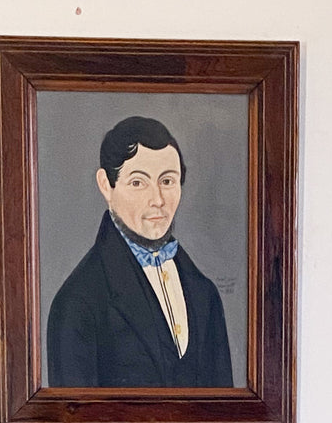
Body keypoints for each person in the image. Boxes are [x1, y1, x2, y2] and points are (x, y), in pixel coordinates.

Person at [46, 116, 234, 388]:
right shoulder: (77, 303)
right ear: (105, 185)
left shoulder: (205, 294)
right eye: (138, 183)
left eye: (168, 181)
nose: (157, 200)